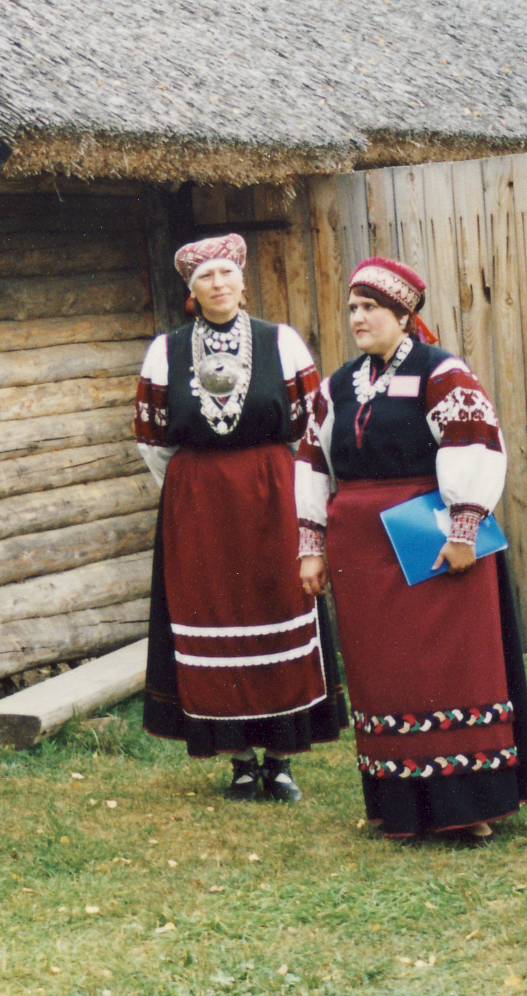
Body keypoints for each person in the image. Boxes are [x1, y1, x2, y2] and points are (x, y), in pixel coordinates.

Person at [299, 257, 527, 840]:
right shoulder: (336, 386)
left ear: (403, 316)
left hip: (431, 544)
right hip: (362, 551)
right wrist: (312, 546)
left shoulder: (443, 373)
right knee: (385, 674)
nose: (358, 318)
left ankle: (469, 807)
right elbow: (311, 462)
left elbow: (475, 443)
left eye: (370, 308)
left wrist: (463, 530)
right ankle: (402, 808)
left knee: (450, 668)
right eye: (352, 308)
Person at [133, 233, 344, 800]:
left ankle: (281, 759)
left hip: (272, 494)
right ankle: (239, 760)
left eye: (226, 274)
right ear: (192, 290)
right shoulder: (167, 351)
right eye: (206, 278)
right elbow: (153, 439)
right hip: (199, 506)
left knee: (278, 601)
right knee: (212, 613)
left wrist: (298, 498)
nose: (218, 284)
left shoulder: (282, 344)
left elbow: (310, 426)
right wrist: (190, 489)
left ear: (243, 281)